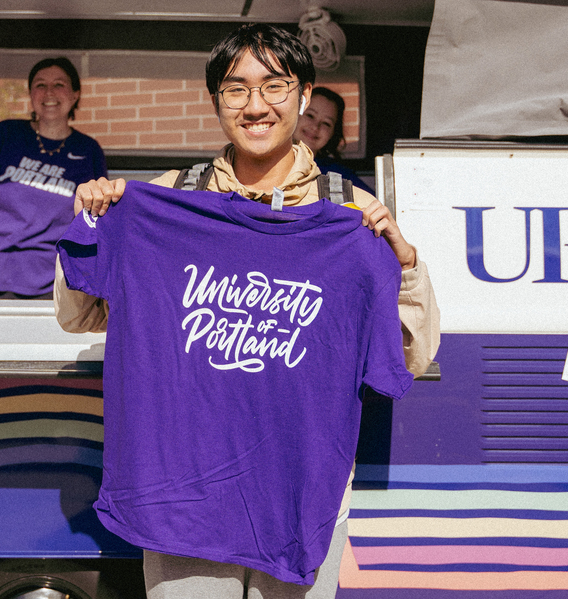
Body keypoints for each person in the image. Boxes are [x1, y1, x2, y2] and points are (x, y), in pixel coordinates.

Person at [54, 23, 440, 599]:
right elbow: (79, 316)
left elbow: (408, 357)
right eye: (236, 89)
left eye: (274, 86)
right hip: (184, 499)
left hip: (300, 498)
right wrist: (93, 224)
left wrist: (404, 267)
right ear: (217, 101)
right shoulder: (170, 200)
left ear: (304, 97)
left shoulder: (352, 215)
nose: (256, 105)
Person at [0, 57, 107, 300]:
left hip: (50, 282)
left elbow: (93, 221)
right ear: (31, 94)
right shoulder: (5, 134)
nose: (49, 92)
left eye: (59, 84)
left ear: (75, 95)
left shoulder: (88, 150)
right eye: (40, 85)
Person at [293, 86, 374, 194]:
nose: (316, 127)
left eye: (326, 123)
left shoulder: (338, 174)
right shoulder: (271, 161)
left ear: (333, 133)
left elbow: (371, 200)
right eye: (310, 116)